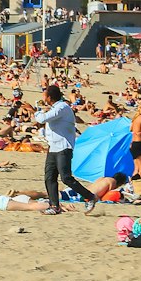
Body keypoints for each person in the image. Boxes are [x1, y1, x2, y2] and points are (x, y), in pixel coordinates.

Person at [33, 85, 94, 216]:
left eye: (45, 95)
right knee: (49, 178)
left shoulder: (62, 107)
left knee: (66, 178)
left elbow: (42, 119)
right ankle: (54, 206)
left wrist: (37, 110)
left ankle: (89, 196)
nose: (44, 98)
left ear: (50, 97)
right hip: (53, 148)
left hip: (63, 148)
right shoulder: (55, 108)